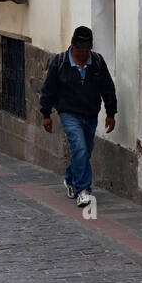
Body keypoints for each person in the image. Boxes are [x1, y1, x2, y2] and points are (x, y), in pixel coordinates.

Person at [39, 26, 118, 209]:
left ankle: (70, 179)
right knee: (80, 147)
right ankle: (83, 190)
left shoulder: (97, 62)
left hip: (91, 113)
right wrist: (46, 114)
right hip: (69, 113)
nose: (83, 54)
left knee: (84, 151)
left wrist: (111, 113)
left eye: (86, 50)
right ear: (72, 45)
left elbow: (107, 88)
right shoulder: (60, 62)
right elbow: (48, 89)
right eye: (80, 49)